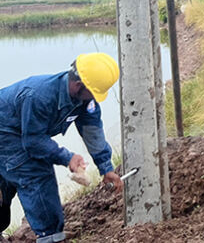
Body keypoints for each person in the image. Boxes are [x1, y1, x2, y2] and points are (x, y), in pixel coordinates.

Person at [0, 53, 123, 243]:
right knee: (35, 174)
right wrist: (67, 157)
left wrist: (105, 168)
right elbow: (33, 141)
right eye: (93, 92)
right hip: (5, 132)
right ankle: (51, 237)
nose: (94, 99)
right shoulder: (39, 96)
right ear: (78, 85)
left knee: (8, 182)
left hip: (21, 134)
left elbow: (92, 131)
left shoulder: (83, 100)